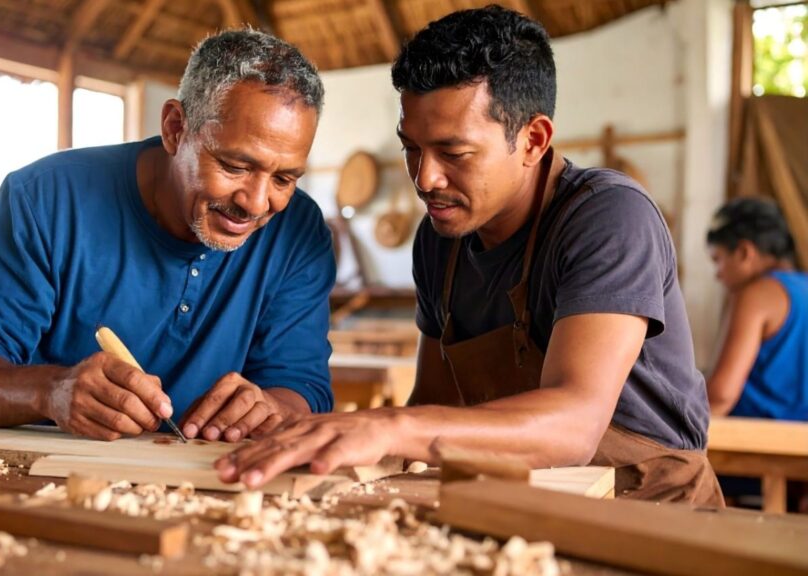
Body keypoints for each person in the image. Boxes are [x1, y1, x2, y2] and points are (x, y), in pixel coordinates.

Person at [217, 6, 723, 506]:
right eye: (411, 148)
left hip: (655, 511)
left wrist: (387, 424)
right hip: (529, 504)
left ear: (533, 140)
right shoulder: (440, 240)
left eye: (453, 154)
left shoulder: (610, 218)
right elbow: (436, 407)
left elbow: (575, 427)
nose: (425, 179)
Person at [0, 29, 336, 443]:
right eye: (235, 166)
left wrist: (272, 407)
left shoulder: (299, 233)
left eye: (283, 178)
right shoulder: (45, 198)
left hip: (200, 487)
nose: (257, 203)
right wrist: (50, 391)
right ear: (175, 128)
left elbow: (303, 387)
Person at [705, 197, 806, 420]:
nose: (718, 274)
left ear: (744, 252)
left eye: (718, 259)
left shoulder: (757, 294)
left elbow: (721, 396)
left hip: (760, 440)